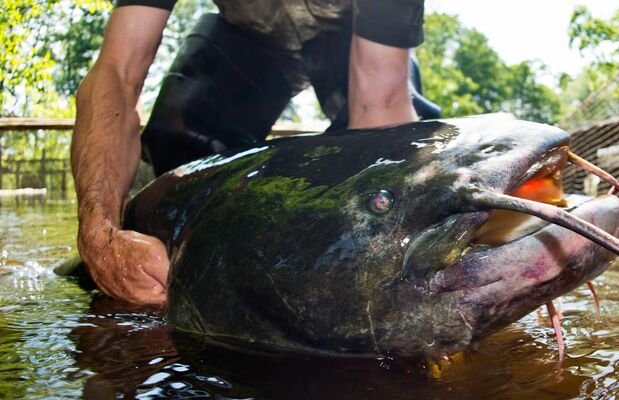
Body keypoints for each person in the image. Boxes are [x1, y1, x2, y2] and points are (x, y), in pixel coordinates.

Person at [70, 0, 439, 305]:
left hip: (351, 44)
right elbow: (117, 73)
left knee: (392, 158)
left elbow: (379, 104)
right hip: (245, 39)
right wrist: (98, 234)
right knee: (177, 146)